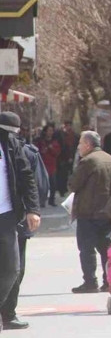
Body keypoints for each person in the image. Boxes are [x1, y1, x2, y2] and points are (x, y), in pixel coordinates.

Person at [0, 112, 40, 333]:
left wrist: (33, 209)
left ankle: (5, 312)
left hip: (6, 215)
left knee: (12, 268)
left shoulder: (11, 144)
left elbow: (27, 177)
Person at [68, 131, 111, 294]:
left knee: (86, 247)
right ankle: (108, 280)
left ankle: (90, 281)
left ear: (88, 145)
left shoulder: (88, 161)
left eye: (80, 144)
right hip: (107, 211)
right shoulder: (109, 159)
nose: (78, 147)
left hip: (88, 211)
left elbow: (73, 184)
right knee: (105, 246)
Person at [35, 124, 61, 207]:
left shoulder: (55, 142)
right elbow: (37, 151)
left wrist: (51, 148)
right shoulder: (40, 141)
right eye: (49, 130)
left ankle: (51, 200)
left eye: (52, 131)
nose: (50, 132)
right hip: (43, 165)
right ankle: (42, 200)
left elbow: (57, 152)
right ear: (45, 131)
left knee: (53, 184)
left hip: (52, 165)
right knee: (42, 185)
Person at [57, 121, 77, 197]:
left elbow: (74, 146)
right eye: (67, 125)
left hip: (71, 157)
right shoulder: (61, 135)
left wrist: (72, 156)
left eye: (69, 125)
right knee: (62, 174)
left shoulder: (74, 135)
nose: (68, 127)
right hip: (62, 158)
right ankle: (62, 189)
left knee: (69, 174)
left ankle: (67, 188)